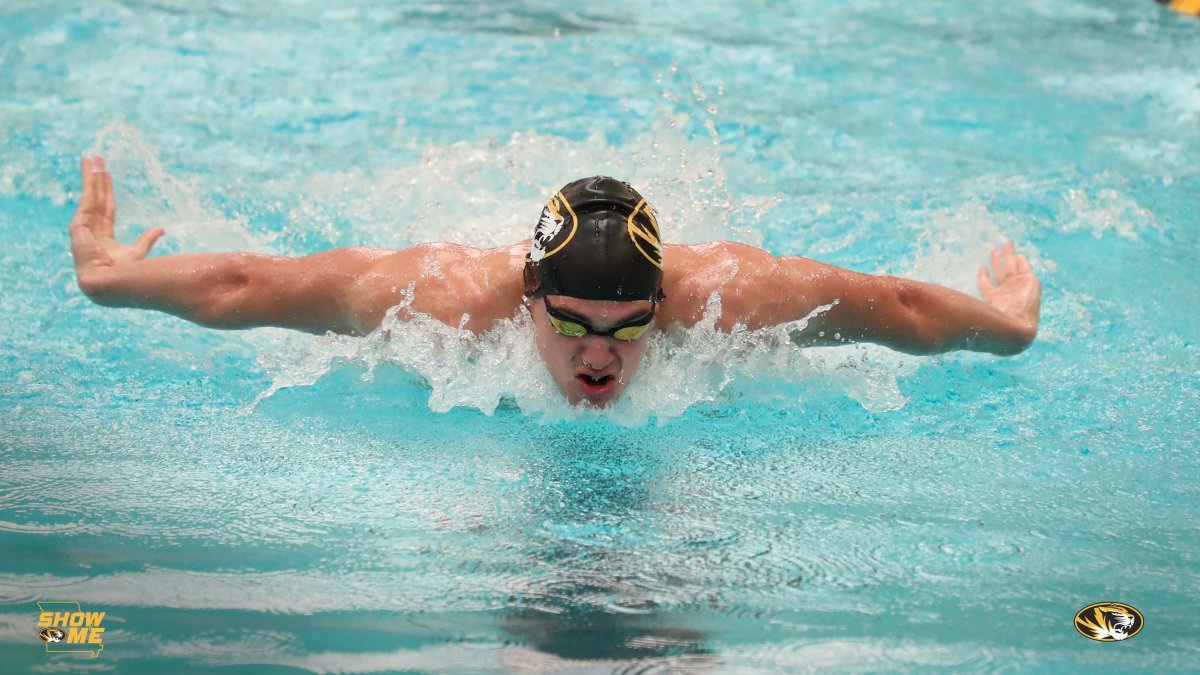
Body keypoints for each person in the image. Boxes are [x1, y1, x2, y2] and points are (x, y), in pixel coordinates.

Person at [70, 156, 1042, 407]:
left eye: (627, 327)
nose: (595, 353)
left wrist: (1009, 328)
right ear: (526, 296)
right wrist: (114, 281)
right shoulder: (446, 298)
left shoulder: (730, 297)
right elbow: (249, 285)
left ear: (664, 303)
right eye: (571, 320)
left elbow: (900, 308)